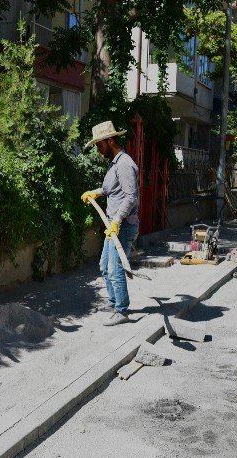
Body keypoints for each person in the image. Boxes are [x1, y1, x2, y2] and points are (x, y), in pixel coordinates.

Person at [81, 120, 140, 326]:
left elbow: (130, 197)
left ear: (110, 140)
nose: (98, 149)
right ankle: (114, 301)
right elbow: (109, 190)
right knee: (105, 266)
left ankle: (122, 310)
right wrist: (95, 193)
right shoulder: (114, 163)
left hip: (122, 226)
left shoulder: (125, 164)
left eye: (99, 145)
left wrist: (116, 221)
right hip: (112, 225)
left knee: (115, 268)